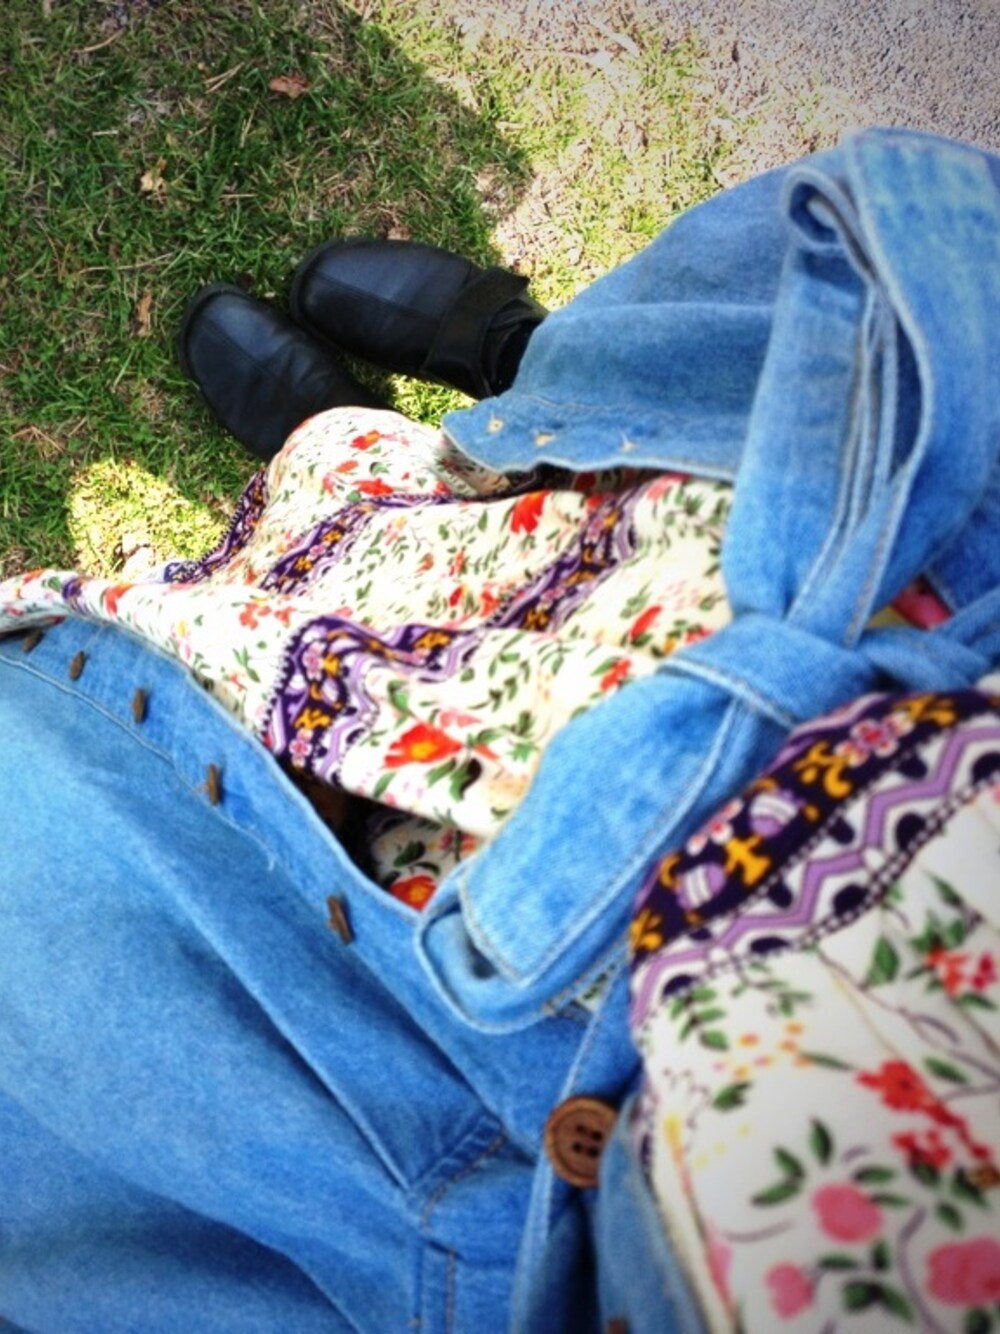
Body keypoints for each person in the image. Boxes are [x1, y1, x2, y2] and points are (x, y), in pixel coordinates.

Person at [0, 125, 998, 1332]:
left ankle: (337, 461)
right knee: (628, 414)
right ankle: (504, 361)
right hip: (910, 620)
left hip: (525, 1108)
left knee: (330, 634)